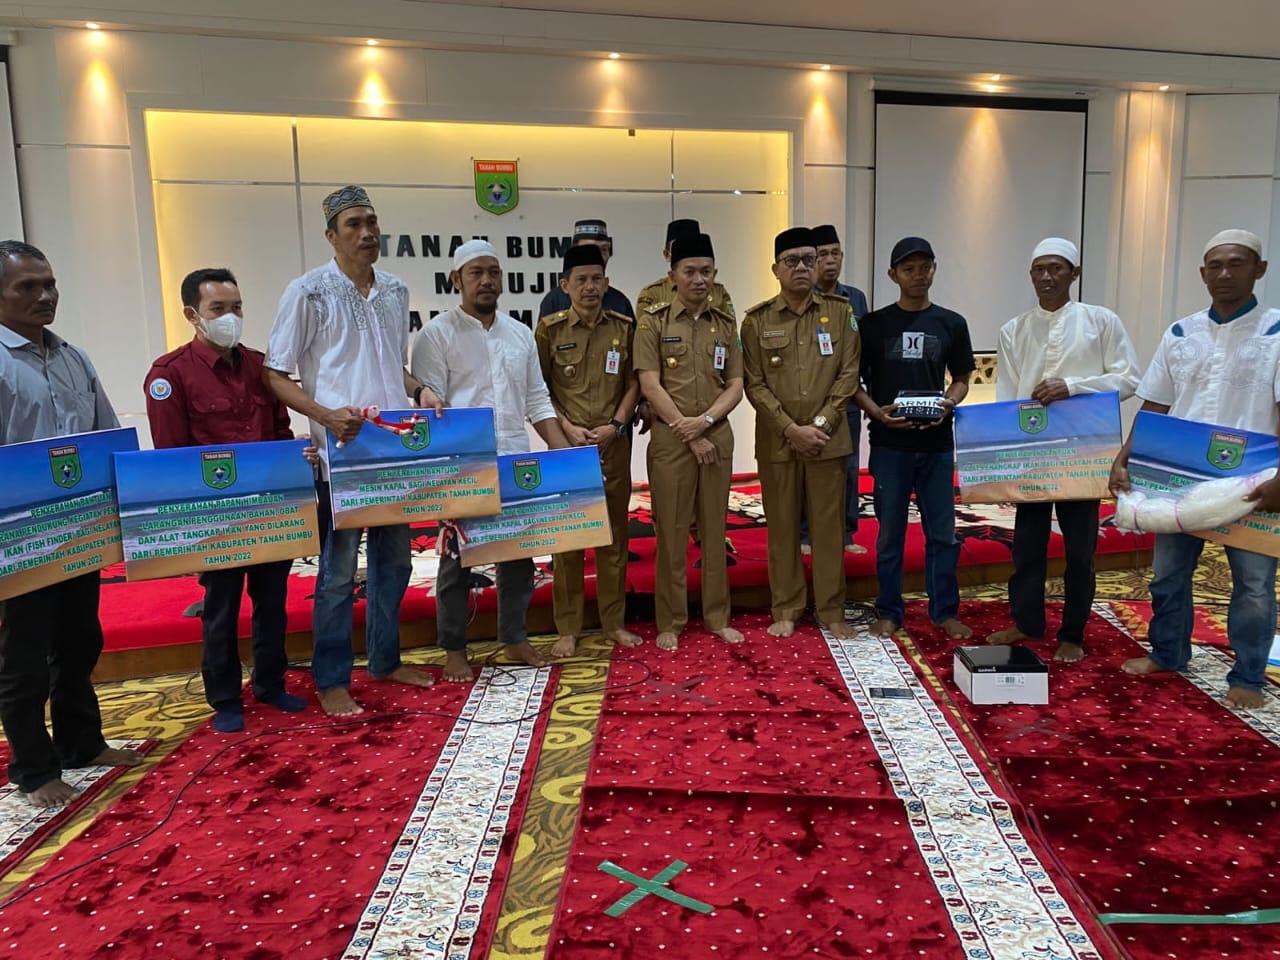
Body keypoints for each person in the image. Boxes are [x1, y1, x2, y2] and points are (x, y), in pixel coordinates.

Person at [264, 186, 443, 718]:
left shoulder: (395, 289)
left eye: (372, 222)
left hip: (392, 451)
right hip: (341, 455)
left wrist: (419, 390)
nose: (367, 233)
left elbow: (390, 365)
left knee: (396, 564)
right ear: (331, 235)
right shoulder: (308, 292)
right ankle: (332, 677)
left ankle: (386, 660)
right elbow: (275, 373)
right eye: (353, 225)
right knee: (339, 574)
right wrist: (324, 416)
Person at [1110, 228, 1280, 710]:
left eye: (1236, 263)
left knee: (1253, 585)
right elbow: (1156, 404)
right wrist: (1125, 456)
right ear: (1203, 273)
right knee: (1167, 574)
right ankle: (1168, 653)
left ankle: (1247, 675)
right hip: (1177, 477)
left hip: (1252, 481)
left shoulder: (1275, 332)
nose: (1225, 273)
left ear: (1259, 269)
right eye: (1215, 266)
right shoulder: (1181, 333)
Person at [0, 240, 142, 807]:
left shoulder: (73, 357)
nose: (44, 295)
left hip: (80, 527)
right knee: (24, 656)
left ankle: (82, 742)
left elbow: (105, 434)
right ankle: (33, 769)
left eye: (49, 284)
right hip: (18, 535)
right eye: (27, 287)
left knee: (80, 641)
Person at [146, 268, 314, 732]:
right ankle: (224, 698)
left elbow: (279, 433)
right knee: (220, 607)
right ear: (192, 314)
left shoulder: (262, 367)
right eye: (218, 309)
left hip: (269, 510)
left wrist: (298, 457)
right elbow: (171, 456)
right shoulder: (170, 375)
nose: (230, 317)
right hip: (215, 517)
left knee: (272, 601)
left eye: (236, 307)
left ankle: (270, 683)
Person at [412, 240, 570, 682]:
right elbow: (430, 411)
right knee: (457, 562)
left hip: (514, 459)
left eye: (493, 272)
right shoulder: (436, 335)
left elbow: (537, 401)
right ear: (456, 280)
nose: (486, 280)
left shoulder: (519, 334)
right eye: (476, 272)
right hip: (462, 468)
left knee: (518, 557)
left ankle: (514, 638)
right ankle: (454, 649)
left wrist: (565, 455)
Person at [988, 238, 1141, 663]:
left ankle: (1073, 633)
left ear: (1074, 273)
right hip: (1033, 452)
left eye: (1056, 268)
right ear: (1030, 275)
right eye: (1039, 269)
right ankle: (1026, 621)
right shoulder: (1014, 329)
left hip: (1084, 452)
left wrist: (1072, 386)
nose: (1047, 277)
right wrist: (1003, 454)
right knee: (1027, 545)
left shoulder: (1101, 322)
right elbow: (1008, 396)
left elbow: (1129, 379)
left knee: (1079, 549)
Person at [741, 228, 861, 640]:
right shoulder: (757, 321)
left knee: (829, 530)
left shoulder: (841, 313)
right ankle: (787, 607)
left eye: (809, 260)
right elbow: (754, 383)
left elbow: (849, 374)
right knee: (782, 528)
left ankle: (831, 610)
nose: (802, 268)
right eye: (791, 261)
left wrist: (821, 424)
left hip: (828, 440)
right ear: (775, 269)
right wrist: (791, 429)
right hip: (778, 442)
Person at [853, 237, 975, 641]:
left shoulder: (951, 323)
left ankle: (944, 611)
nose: (918, 276)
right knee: (890, 534)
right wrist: (876, 412)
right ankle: (889, 610)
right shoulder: (873, 326)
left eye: (925, 267)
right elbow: (851, 383)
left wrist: (949, 402)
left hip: (937, 446)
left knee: (942, 534)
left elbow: (961, 378)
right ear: (893, 275)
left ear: (934, 269)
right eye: (909, 269)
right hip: (890, 446)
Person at [634, 232, 744, 651]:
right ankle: (671, 620)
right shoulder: (654, 322)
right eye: (690, 271)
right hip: (671, 442)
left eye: (706, 271)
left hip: (716, 436)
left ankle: (717, 616)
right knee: (672, 533)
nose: (699, 279)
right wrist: (687, 429)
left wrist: (706, 422)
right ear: (673, 276)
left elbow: (735, 384)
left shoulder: (726, 324)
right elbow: (649, 383)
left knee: (715, 531)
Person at [536, 245, 642, 657]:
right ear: (565, 285)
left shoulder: (623, 328)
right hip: (569, 447)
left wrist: (616, 425)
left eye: (596, 279)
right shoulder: (550, 330)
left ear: (607, 282)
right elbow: (540, 389)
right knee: (569, 541)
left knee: (613, 537)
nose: (590, 287)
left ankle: (613, 623)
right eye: (580, 280)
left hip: (613, 443)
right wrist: (565, 427)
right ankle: (568, 627)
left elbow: (634, 382)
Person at [802, 223, 870, 557]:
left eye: (835, 253)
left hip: (848, 400)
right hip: (809, 399)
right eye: (822, 255)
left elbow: (864, 350)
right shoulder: (802, 297)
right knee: (806, 468)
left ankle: (845, 533)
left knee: (848, 468)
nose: (830, 261)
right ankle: (805, 533)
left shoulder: (855, 298)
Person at [537, 218, 635, 320]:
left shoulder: (620, 301)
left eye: (604, 249)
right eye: (589, 250)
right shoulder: (554, 301)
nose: (598, 256)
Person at [636, 219, 736, 319]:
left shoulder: (718, 292)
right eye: (677, 248)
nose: (686, 252)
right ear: (666, 254)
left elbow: (730, 325)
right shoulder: (653, 294)